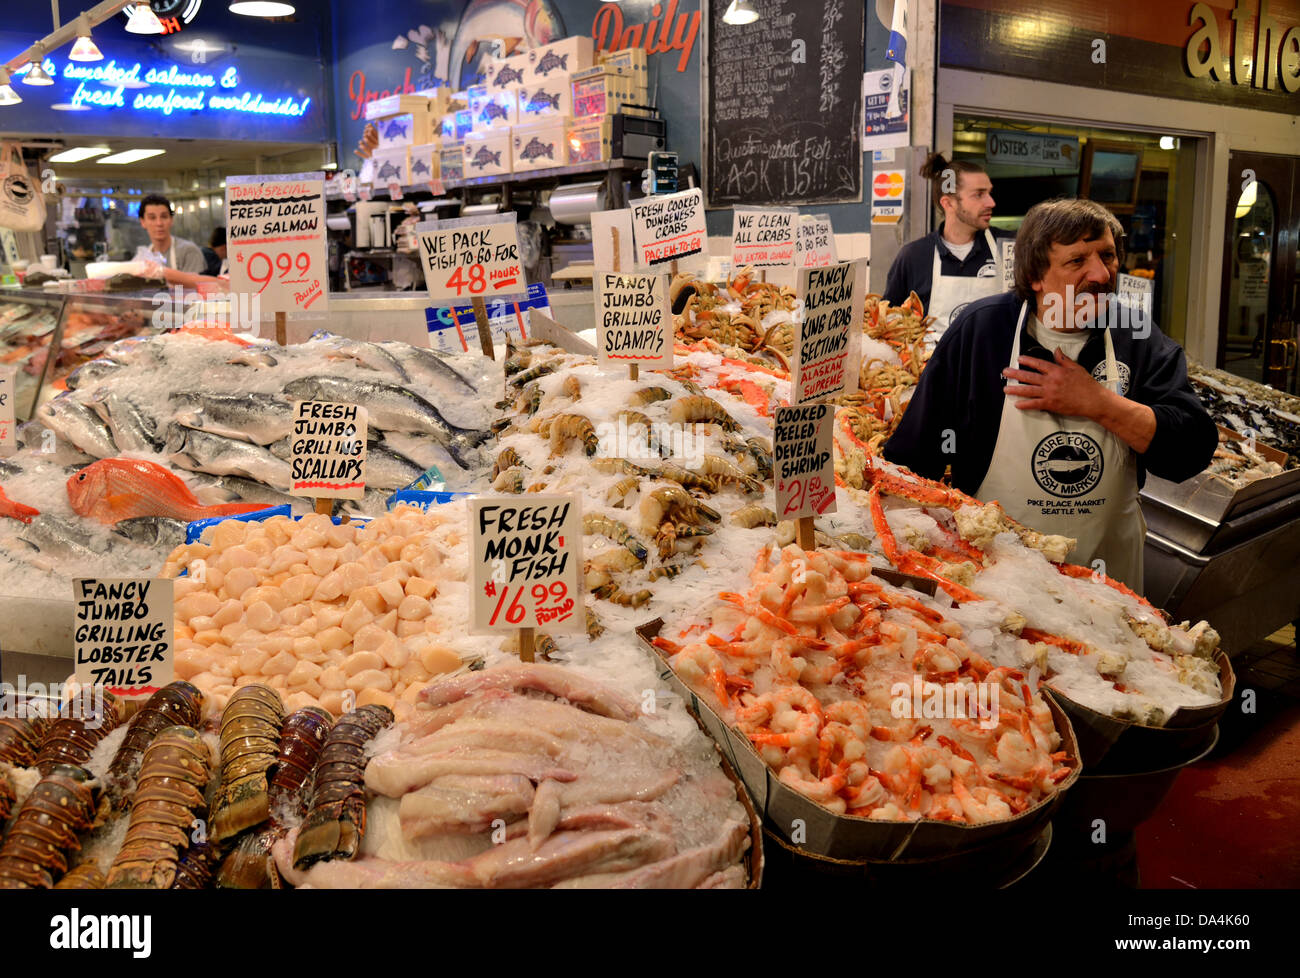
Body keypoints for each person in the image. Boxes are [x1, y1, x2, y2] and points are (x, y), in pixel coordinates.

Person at [882, 198, 1217, 590]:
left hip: (1108, 582)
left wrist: (1098, 402)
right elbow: (910, 465)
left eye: (1107, 256)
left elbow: (1190, 450)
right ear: (1036, 274)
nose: (1100, 273)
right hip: (996, 579)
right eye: (1077, 261)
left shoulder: (1136, 335)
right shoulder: (982, 332)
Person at [883, 154, 1015, 342]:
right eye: (979, 194)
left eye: (989, 192)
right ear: (948, 203)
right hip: (932, 368)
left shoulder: (1010, 246)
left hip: (993, 367)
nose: (991, 203)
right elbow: (889, 322)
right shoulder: (914, 256)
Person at [135, 194, 207, 277]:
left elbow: (195, 285)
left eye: (164, 217)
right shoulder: (143, 257)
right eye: (152, 218)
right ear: (142, 222)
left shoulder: (189, 251)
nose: (159, 223)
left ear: (171, 220)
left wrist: (164, 275)